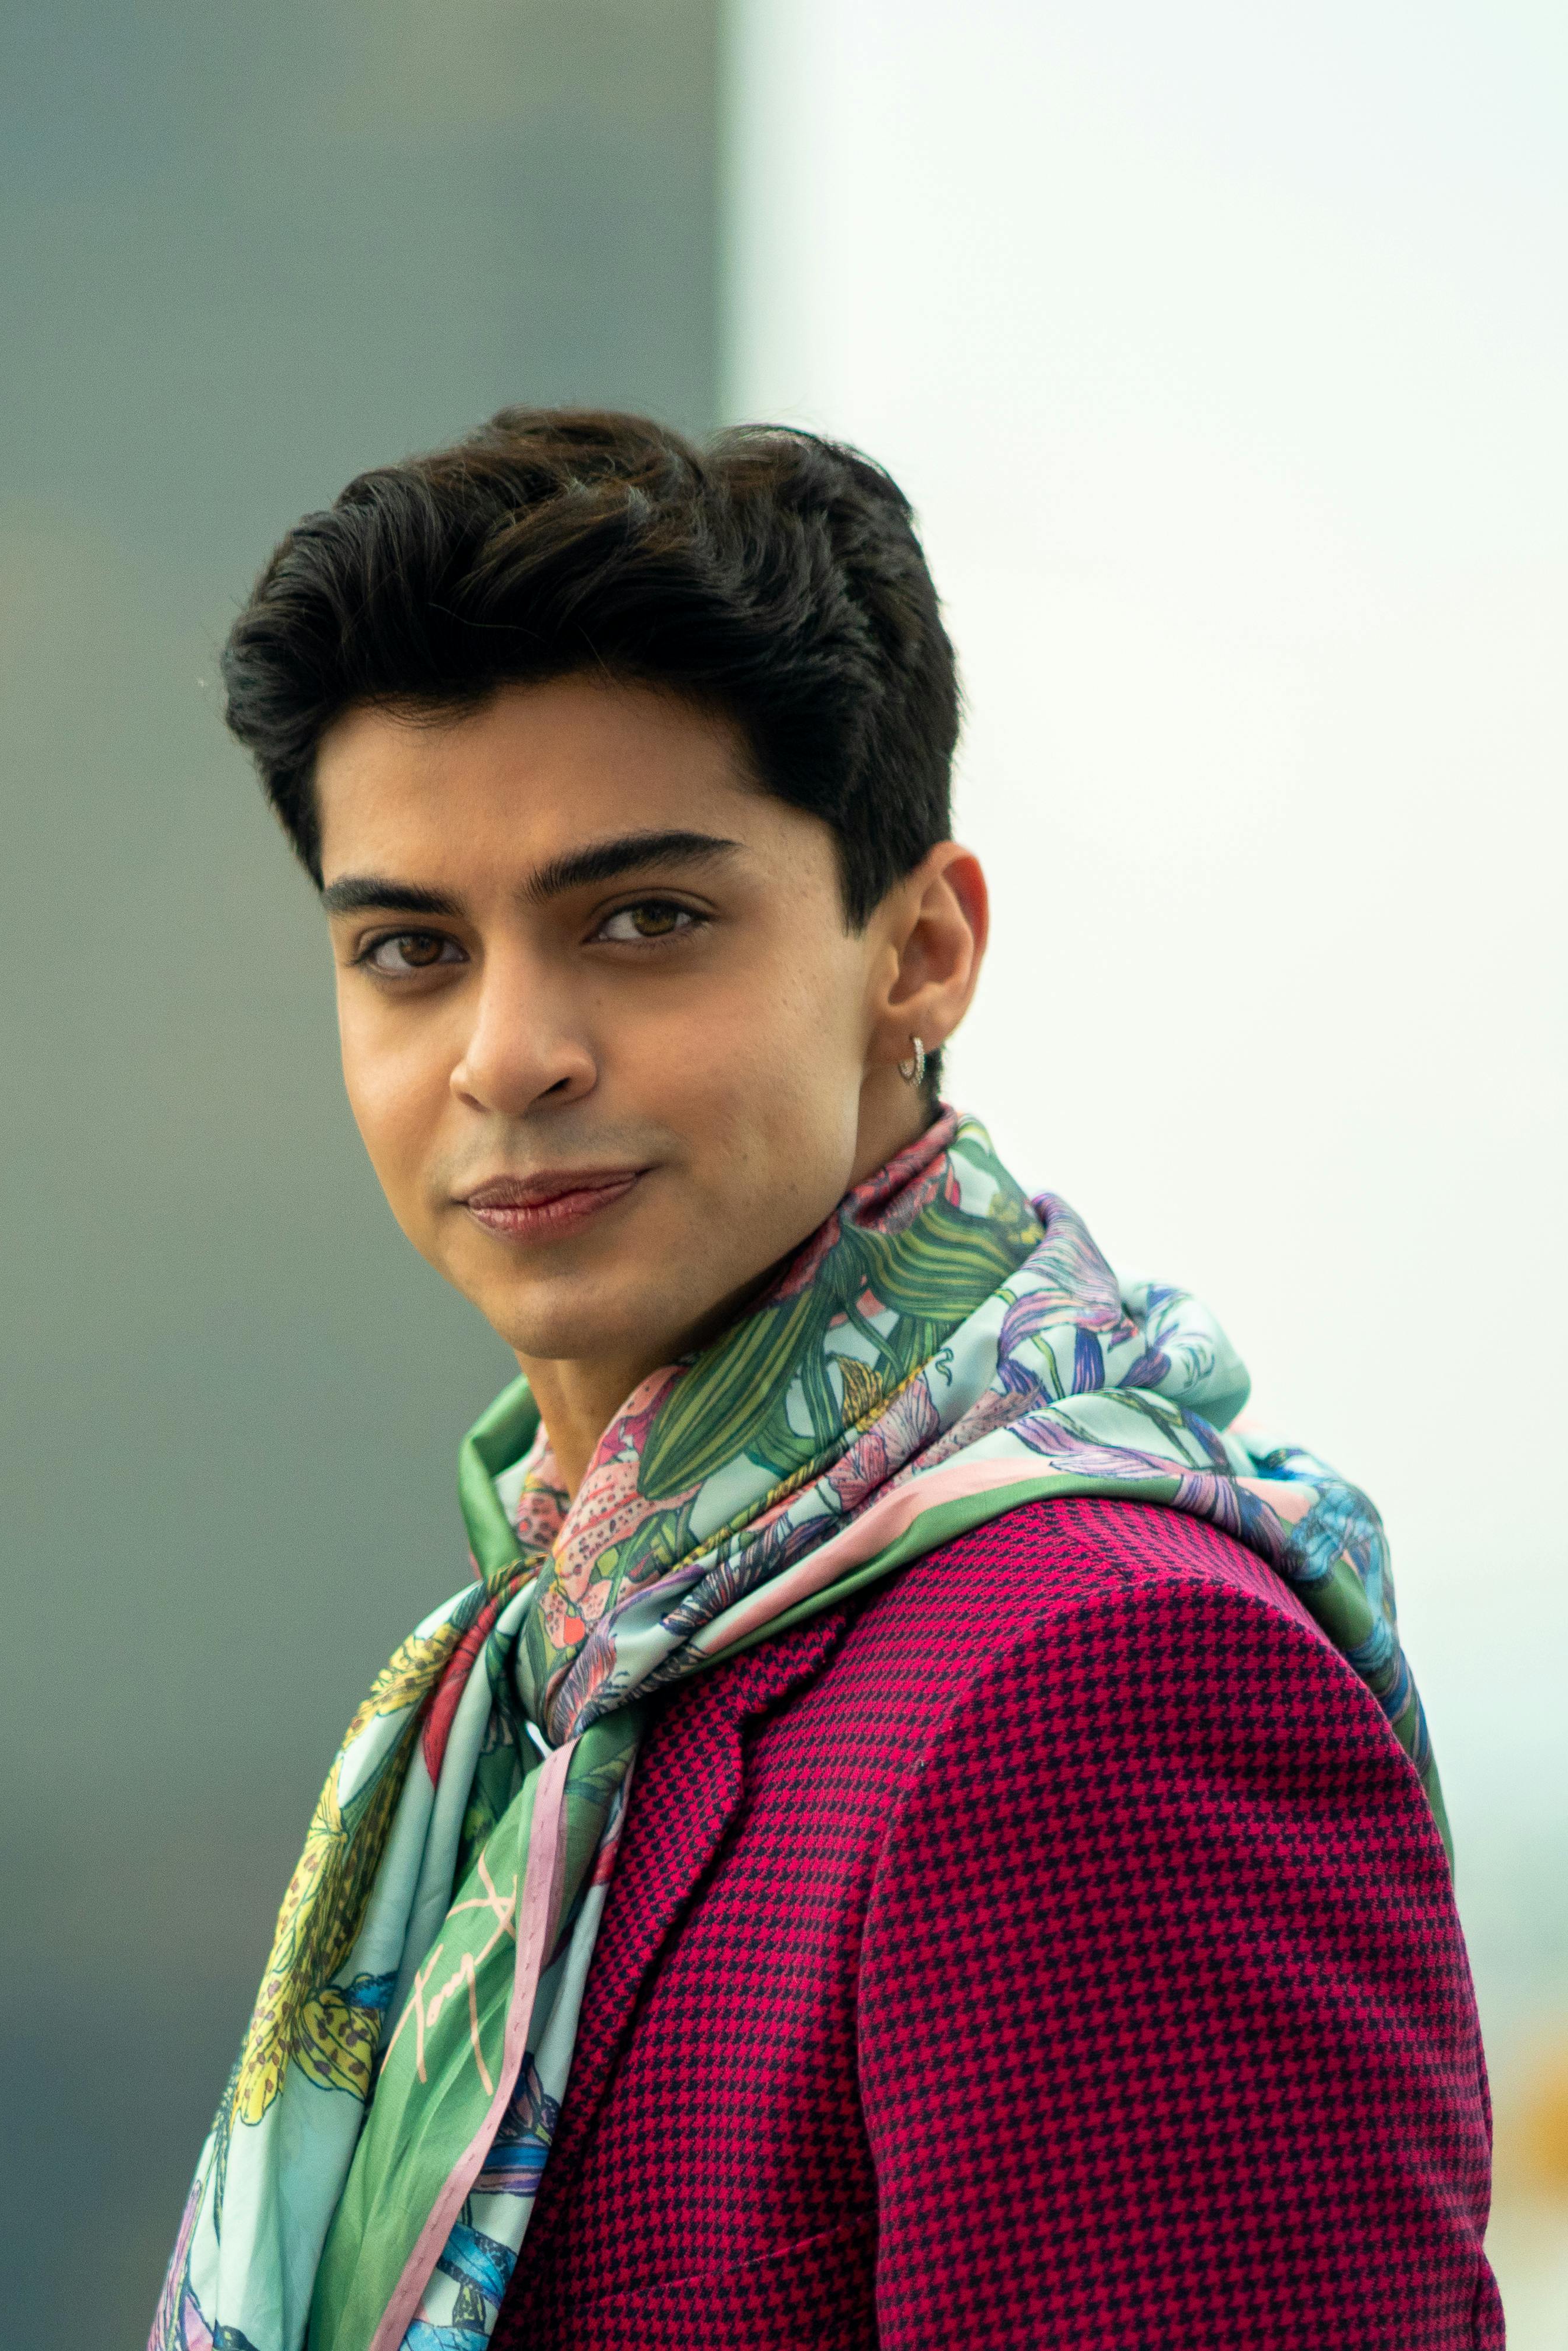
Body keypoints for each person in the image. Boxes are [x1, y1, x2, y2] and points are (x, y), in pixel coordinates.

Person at [150, 410, 1495, 2350]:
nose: (507, 1055)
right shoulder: (540, 1679)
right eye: (412, 949)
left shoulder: (1097, 1680)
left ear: (921, 951)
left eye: (645, 921)